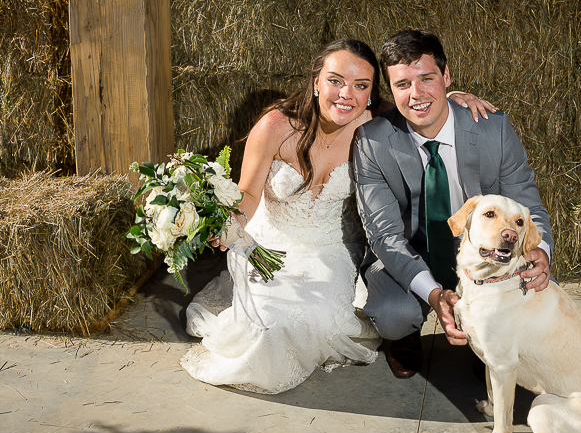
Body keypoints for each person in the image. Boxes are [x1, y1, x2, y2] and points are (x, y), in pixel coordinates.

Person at [181, 38, 494, 395]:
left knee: (311, 318)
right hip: (272, 243)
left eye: (360, 86)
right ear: (316, 81)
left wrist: (455, 97)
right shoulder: (274, 127)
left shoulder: (378, 123)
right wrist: (230, 222)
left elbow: (422, 104)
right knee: (267, 322)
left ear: (371, 93)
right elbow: (249, 192)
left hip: (332, 249)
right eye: (335, 81)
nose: (346, 94)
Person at [354, 28, 553, 379]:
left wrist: (544, 251)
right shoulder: (372, 142)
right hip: (410, 249)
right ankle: (406, 335)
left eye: (427, 79)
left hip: (482, 251)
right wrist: (434, 296)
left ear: (446, 76)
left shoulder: (494, 129)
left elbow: (526, 202)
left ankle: (488, 331)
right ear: (390, 89)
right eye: (402, 85)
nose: (416, 95)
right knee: (391, 316)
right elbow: (384, 236)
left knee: (532, 305)